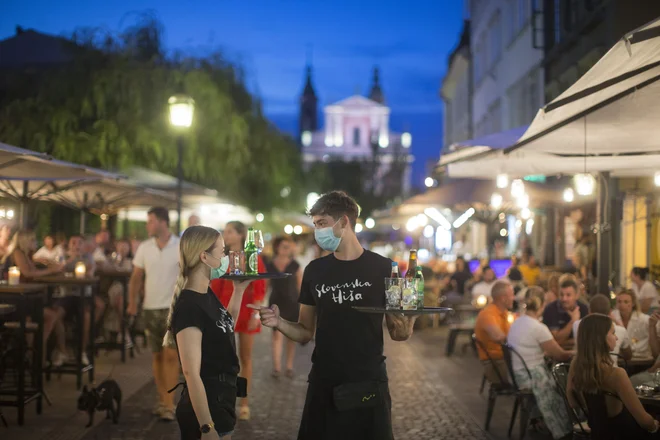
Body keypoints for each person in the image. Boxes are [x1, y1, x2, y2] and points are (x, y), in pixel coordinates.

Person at [253, 191, 418, 440]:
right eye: (316, 224)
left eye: (322, 223)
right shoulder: (315, 270)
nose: (318, 231)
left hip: (368, 379)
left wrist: (410, 318)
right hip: (324, 379)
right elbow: (305, 331)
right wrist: (279, 323)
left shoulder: (384, 268)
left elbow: (398, 333)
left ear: (344, 222)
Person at [164, 226, 251, 440]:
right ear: (204, 256)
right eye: (222, 252)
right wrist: (206, 426)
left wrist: (238, 290)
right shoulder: (190, 306)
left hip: (221, 399)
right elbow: (191, 372)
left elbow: (225, 324)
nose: (225, 258)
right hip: (207, 405)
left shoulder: (206, 293)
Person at [567, 314, 660, 438]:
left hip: (597, 433)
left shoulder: (576, 365)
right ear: (601, 338)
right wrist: (654, 425)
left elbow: (573, 402)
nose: (616, 338)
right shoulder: (616, 374)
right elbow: (643, 420)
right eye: (613, 333)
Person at [127, 207, 180, 421]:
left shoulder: (180, 246)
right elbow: (136, 277)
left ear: (162, 222)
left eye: (150, 221)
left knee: (171, 355)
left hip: (174, 309)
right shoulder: (144, 247)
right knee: (157, 355)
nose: (147, 225)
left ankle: (169, 404)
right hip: (150, 308)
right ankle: (162, 399)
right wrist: (132, 303)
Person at [210, 221, 266, 421]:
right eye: (225, 231)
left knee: (245, 358)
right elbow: (214, 287)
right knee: (225, 359)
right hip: (225, 311)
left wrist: (256, 315)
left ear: (241, 235)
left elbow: (259, 288)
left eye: (230, 231)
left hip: (247, 310)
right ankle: (224, 401)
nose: (226, 235)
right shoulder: (221, 258)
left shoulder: (252, 258)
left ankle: (244, 402)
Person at [507, 286, 573, 439]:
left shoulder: (518, 322)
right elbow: (560, 355)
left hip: (517, 374)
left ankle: (542, 423)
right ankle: (566, 428)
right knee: (564, 382)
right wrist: (575, 353)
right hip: (529, 377)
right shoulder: (538, 327)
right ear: (542, 305)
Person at [1, 230, 67, 365]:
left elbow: (33, 273)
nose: (36, 243)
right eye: (33, 240)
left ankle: (41, 354)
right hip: (15, 300)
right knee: (50, 316)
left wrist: (48, 265)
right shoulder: (17, 253)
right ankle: (35, 353)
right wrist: (52, 270)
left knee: (54, 316)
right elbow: (28, 273)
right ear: (25, 241)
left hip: (25, 298)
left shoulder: (25, 254)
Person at [265, 236, 303, 377]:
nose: (286, 249)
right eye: (283, 246)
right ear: (277, 248)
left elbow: (300, 286)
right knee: (276, 335)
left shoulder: (295, 265)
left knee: (291, 337)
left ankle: (289, 366)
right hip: (275, 303)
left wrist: (303, 305)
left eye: (288, 247)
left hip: (292, 304)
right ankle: (276, 367)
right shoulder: (270, 265)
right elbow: (265, 285)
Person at [474, 281, 514, 384]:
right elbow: (500, 337)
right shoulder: (488, 315)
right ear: (503, 298)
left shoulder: (503, 312)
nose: (513, 298)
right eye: (511, 295)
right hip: (497, 365)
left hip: (505, 360)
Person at [573, 294, 632, 363]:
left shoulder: (578, 325)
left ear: (589, 311)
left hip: (584, 371)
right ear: (610, 312)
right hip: (611, 371)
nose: (616, 338)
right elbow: (628, 356)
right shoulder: (620, 330)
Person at [542, 275, 588, 348]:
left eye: (568, 295)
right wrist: (573, 321)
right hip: (555, 356)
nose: (564, 299)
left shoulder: (584, 308)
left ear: (576, 296)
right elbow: (555, 341)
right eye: (561, 295)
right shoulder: (550, 309)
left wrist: (565, 342)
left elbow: (587, 339)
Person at [612, 290, 653, 360]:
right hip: (621, 359)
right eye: (619, 301)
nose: (622, 305)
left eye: (626, 302)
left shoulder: (644, 320)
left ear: (633, 303)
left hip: (642, 359)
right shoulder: (612, 317)